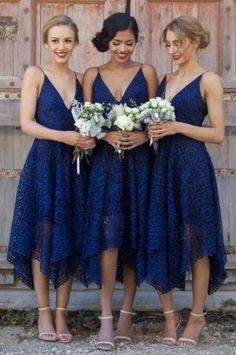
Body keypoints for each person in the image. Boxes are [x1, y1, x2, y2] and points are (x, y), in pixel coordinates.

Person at [7, 15, 94, 343]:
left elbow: (90, 123)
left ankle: (62, 314)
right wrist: (65, 137)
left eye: (67, 41)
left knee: (69, 234)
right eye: (55, 40)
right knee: (42, 234)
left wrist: (89, 138)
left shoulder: (81, 77)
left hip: (74, 168)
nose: (61, 47)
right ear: (46, 43)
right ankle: (44, 312)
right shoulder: (35, 74)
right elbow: (27, 123)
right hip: (44, 164)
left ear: (75, 44)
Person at [147, 15, 227, 347]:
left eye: (178, 43)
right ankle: (169, 316)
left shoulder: (209, 80)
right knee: (161, 234)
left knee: (197, 239)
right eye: (168, 44)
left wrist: (178, 126)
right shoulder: (164, 80)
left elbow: (218, 134)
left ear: (194, 41)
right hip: (162, 165)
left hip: (193, 166)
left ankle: (196, 316)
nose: (173, 50)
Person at [82, 12, 158, 351]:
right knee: (108, 239)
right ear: (106, 41)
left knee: (132, 237)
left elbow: (156, 118)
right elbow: (86, 123)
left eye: (129, 43)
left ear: (136, 41)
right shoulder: (91, 74)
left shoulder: (148, 73)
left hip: (139, 166)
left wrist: (144, 138)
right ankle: (107, 319)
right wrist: (105, 133)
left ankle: (127, 313)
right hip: (103, 167)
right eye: (116, 43)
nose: (123, 49)